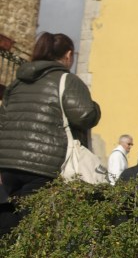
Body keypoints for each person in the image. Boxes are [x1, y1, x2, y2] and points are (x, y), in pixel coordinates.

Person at [0, 32, 101, 234]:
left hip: (9, 165)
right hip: (44, 166)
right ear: (68, 55)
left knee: (10, 223)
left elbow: (3, 120)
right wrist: (95, 107)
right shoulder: (66, 80)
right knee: (37, 231)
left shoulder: (17, 83)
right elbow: (84, 115)